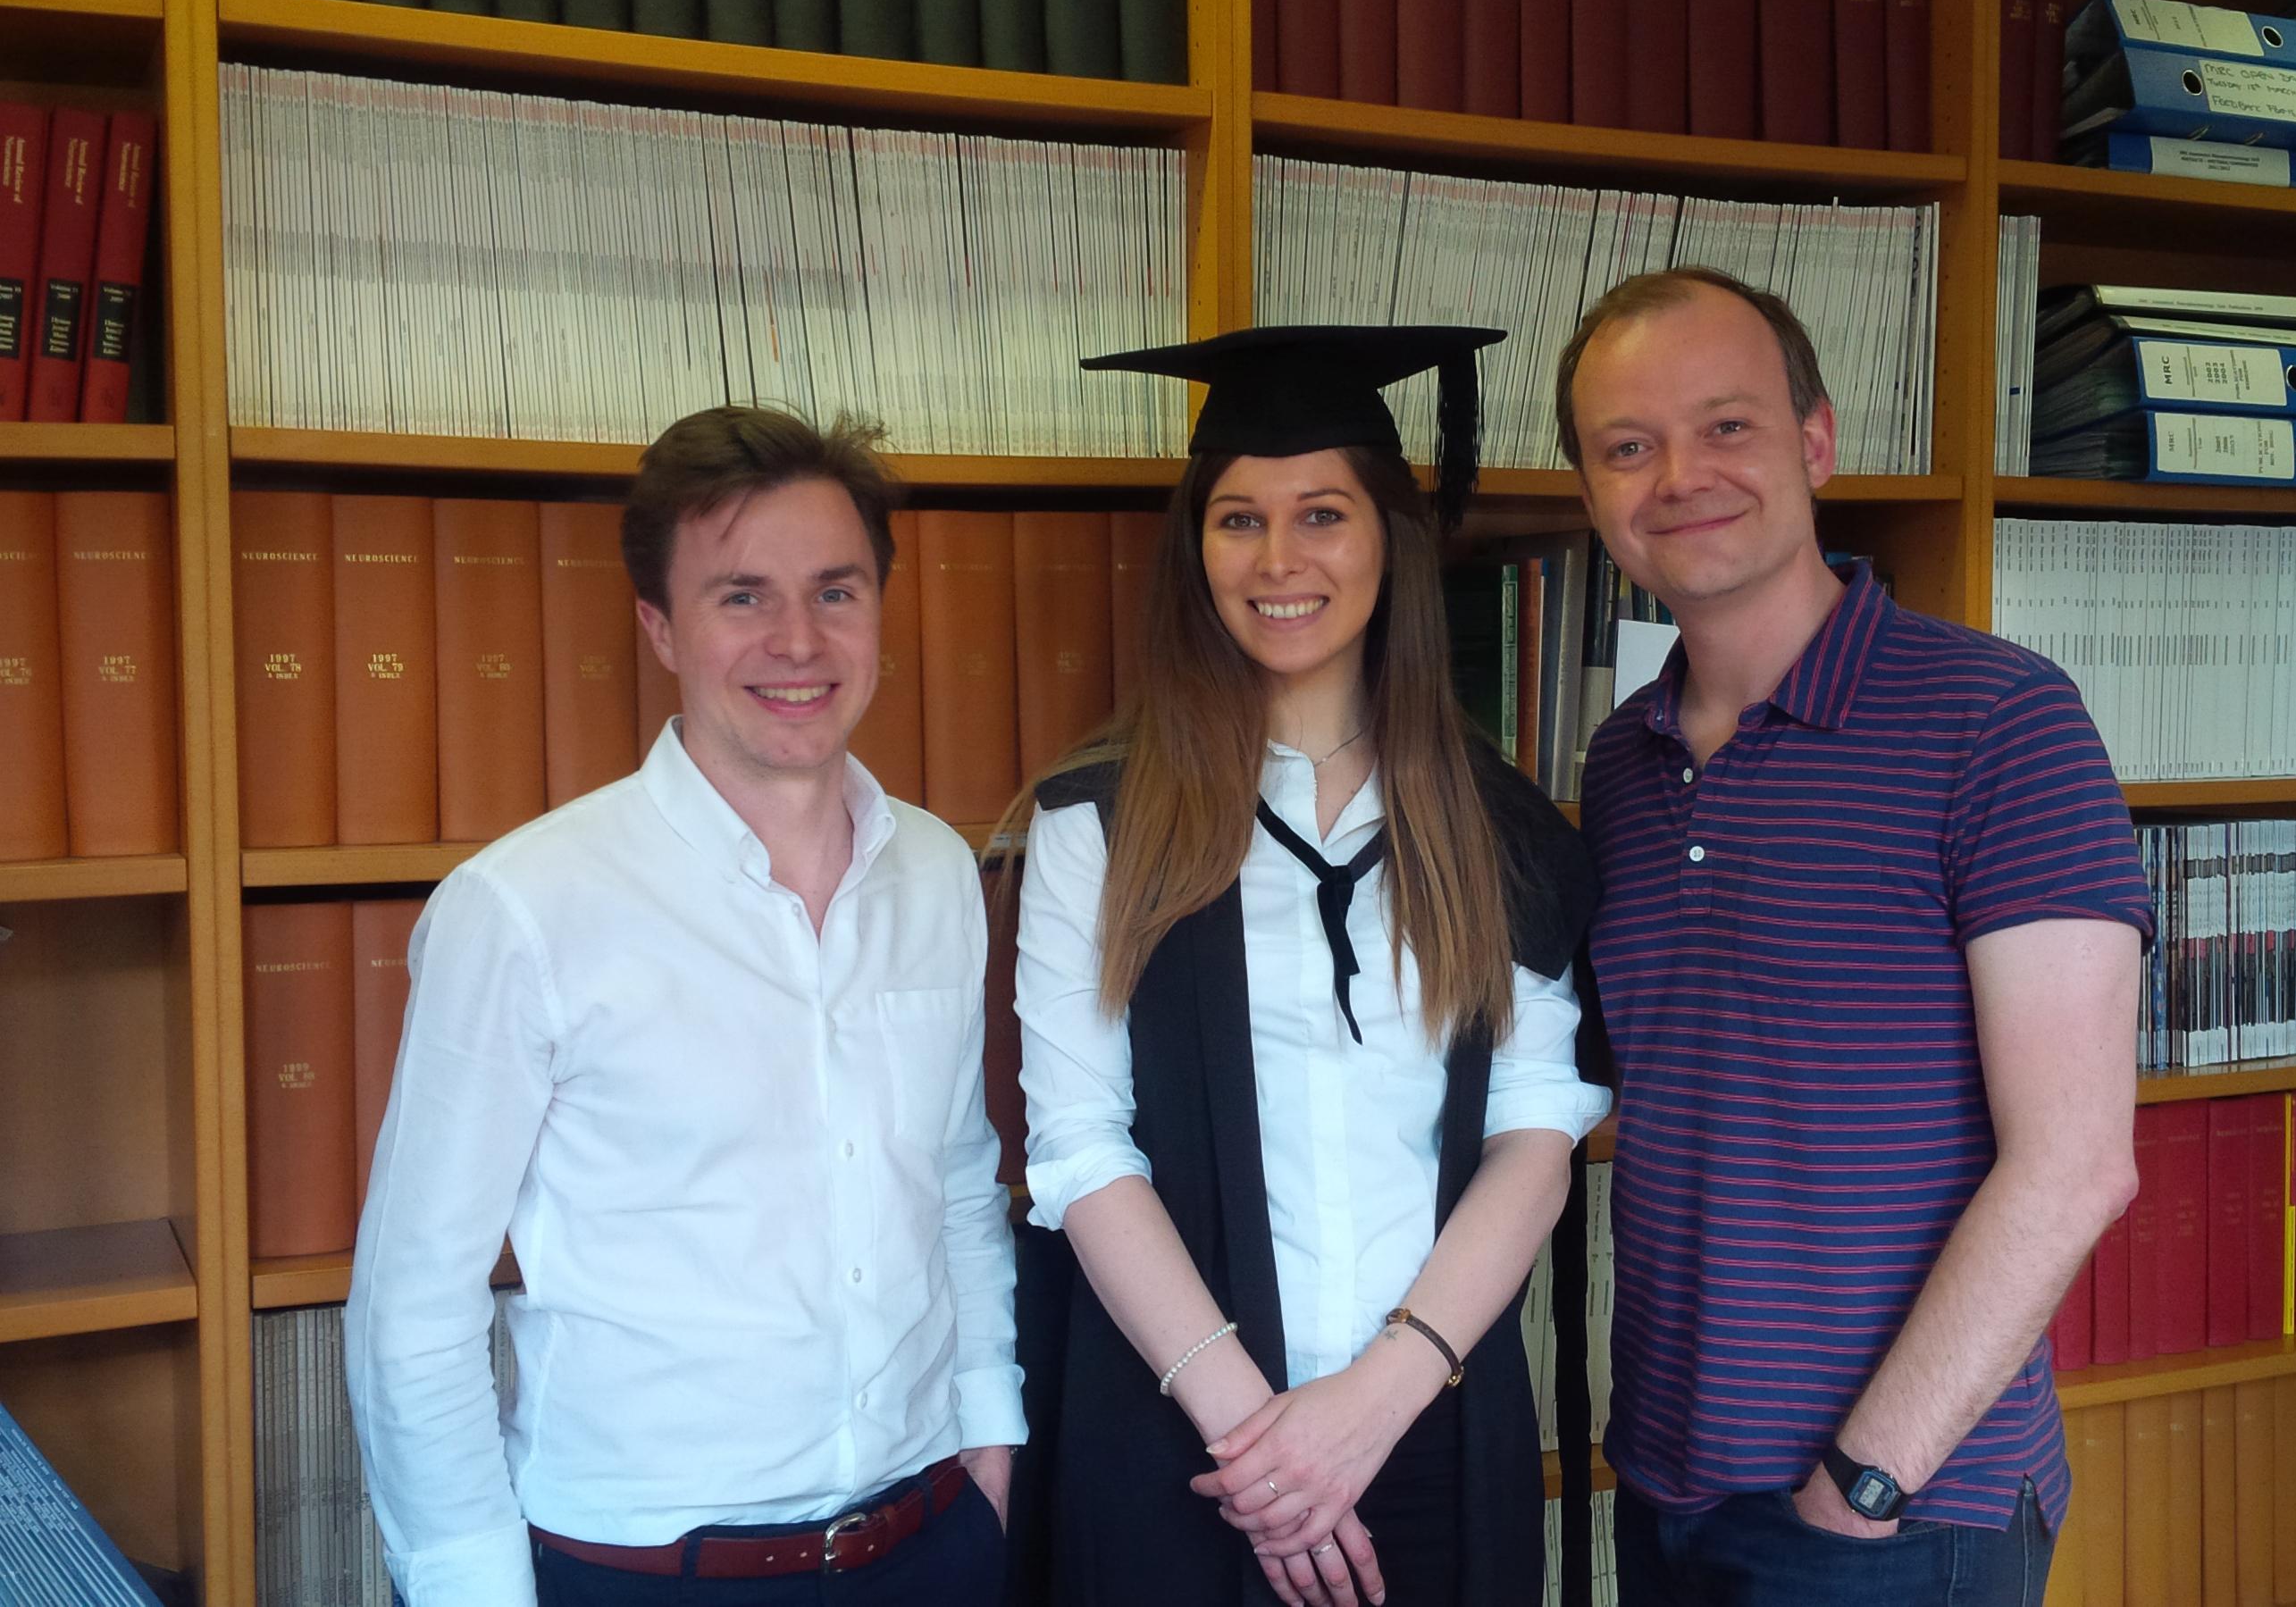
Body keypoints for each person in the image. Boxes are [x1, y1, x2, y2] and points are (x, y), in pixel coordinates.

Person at [344, 407, 1024, 1607]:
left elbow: (959, 1178)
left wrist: (990, 1431)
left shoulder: (934, 871)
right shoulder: (522, 908)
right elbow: (414, 1303)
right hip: (645, 1570)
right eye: (741, 596)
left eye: (835, 591)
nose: (798, 641)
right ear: (659, 626)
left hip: (931, 1540)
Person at [1559, 268, 2152, 1605]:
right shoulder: (1622, 763)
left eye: (1727, 426)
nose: (1680, 477)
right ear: (1592, 493)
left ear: (1814, 441)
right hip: (1662, 1478)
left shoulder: (2000, 723)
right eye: (1628, 447)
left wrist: (1863, 1485)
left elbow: (2073, 1166)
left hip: (1898, 1510)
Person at [1012, 326, 1611, 1607]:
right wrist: (1264, 1447)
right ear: (1197, 550)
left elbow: (1533, 1131)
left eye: (1322, 514)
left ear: (1391, 540)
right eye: (1238, 520)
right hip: (1187, 1451)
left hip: (1430, 1428)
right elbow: (1079, 1147)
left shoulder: (1498, 827)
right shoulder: (1098, 823)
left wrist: (1373, 1403)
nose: (1278, 560)